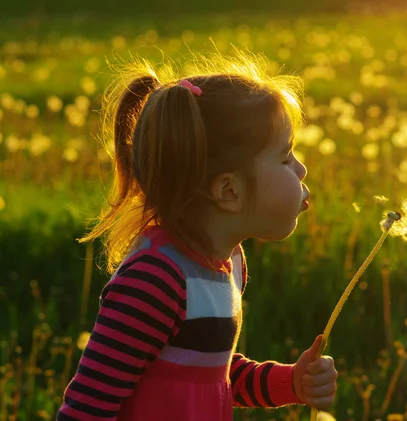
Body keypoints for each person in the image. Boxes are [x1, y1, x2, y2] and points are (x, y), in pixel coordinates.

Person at [56, 52, 337, 421]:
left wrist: (292, 383)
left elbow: (214, 375)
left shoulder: (227, 262)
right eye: (285, 157)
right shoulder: (155, 279)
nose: (301, 169)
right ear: (229, 191)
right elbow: (86, 408)